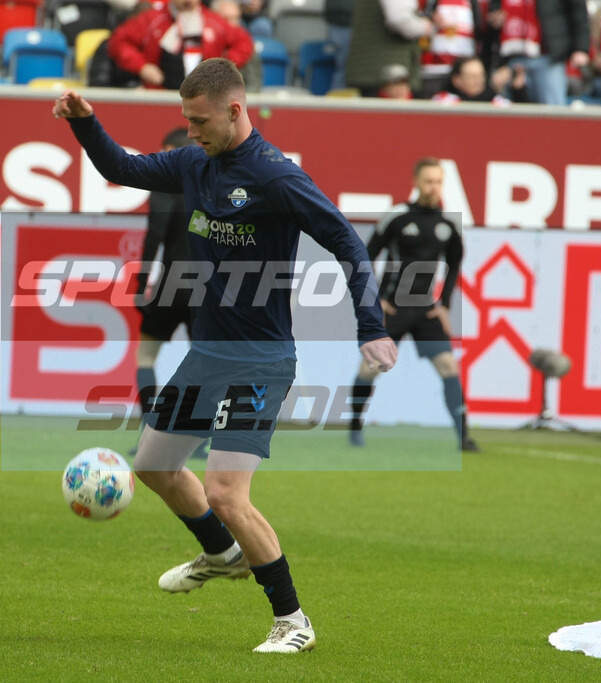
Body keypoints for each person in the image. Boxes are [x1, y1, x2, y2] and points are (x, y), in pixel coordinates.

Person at [52, 58, 398, 654]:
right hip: (209, 351)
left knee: (226, 493)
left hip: (261, 358)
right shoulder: (195, 162)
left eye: (198, 120)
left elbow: (345, 239)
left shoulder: (275, 177)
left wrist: (370, 324)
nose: (190, 130)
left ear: (235, 111)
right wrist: (85, 123)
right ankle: (221, 554)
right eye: (185, 120)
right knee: (154, 467)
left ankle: (293, 622)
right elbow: (122, 167)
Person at [347, 157, 479, 453]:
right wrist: (377, 299)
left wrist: (444, 304)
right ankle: (354, 428)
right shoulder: (398, 217)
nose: (434, 187)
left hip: (425, 309)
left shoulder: (448, 223)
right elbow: (366, 255)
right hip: (392, 308)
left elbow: (455, 263)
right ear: (417, 183)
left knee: (448, 366)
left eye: (438, 182)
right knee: (371, 367)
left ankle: (463, 437)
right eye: (429, 181)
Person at [131, 127, 205, 459]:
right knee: (206, 363)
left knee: (145, 358)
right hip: (205, 290)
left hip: (171, 287)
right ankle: (198, 441)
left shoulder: (164, 188)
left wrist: (140, 286)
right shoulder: (210, 187)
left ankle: (150, 435)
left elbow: (154, 237)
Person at [107, 0, 254, 89]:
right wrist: (142, 66)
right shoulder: (152, 19)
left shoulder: (214, 21)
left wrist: (221, 67)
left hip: (205, 97)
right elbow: (118, 42)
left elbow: (244, 43)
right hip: (160, 96)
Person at [484, 0, 590, 104]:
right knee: (510, 110)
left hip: (548, 55)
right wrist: (495, 13)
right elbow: (495, 7)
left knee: (553, 111)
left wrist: (581, 48)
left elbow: (578, 10)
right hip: (511, 55)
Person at [431, 55, 531, 103]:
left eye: (480, 75)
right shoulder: (443, 102)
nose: (478, 81)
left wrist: (519, 92)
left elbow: (524, 121)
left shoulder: (495, 101)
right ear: (457, 80)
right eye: (472, 76)